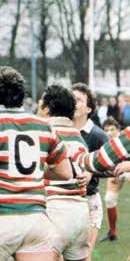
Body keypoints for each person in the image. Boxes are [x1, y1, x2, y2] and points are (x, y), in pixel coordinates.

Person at [0, 67, 72, 261]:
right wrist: (31, 170)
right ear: (22, 94)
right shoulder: (42, 125)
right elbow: (65, 171)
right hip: (36, 220)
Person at [38, 85, 91, 261]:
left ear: (47, 108)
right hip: (81, 213)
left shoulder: (44, 132)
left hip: (54, 210)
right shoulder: (77, 136)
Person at [71, 83, 109, 261]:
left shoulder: (98, 135)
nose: (73, 102)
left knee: (84, 258)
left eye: (78, 99)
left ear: (88, 108)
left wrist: (92, 172)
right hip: (60, 200)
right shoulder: (60, 130)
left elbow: (115, 167)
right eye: (71, 98)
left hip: (89, 202)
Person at [100, 118, 126, 242]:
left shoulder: (126, 140)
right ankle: (112, 233)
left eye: (112, 129)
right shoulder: (106, 143)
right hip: (119, 171)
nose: (109, 132)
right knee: (109, 199)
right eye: (106, 130)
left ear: (119, 130)